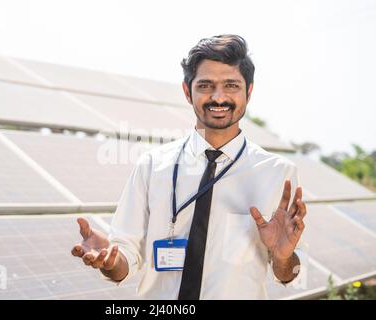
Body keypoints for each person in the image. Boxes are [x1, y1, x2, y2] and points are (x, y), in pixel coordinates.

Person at [71, 34, 307, 300]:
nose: (219, 97)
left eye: (231, 85)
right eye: (206, 85)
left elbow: (291, 273)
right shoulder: (152, 166)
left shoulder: (279, 173)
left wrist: (283, 256)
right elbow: (125, 257)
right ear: (187, 91)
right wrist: (110, 261)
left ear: (249, 92)